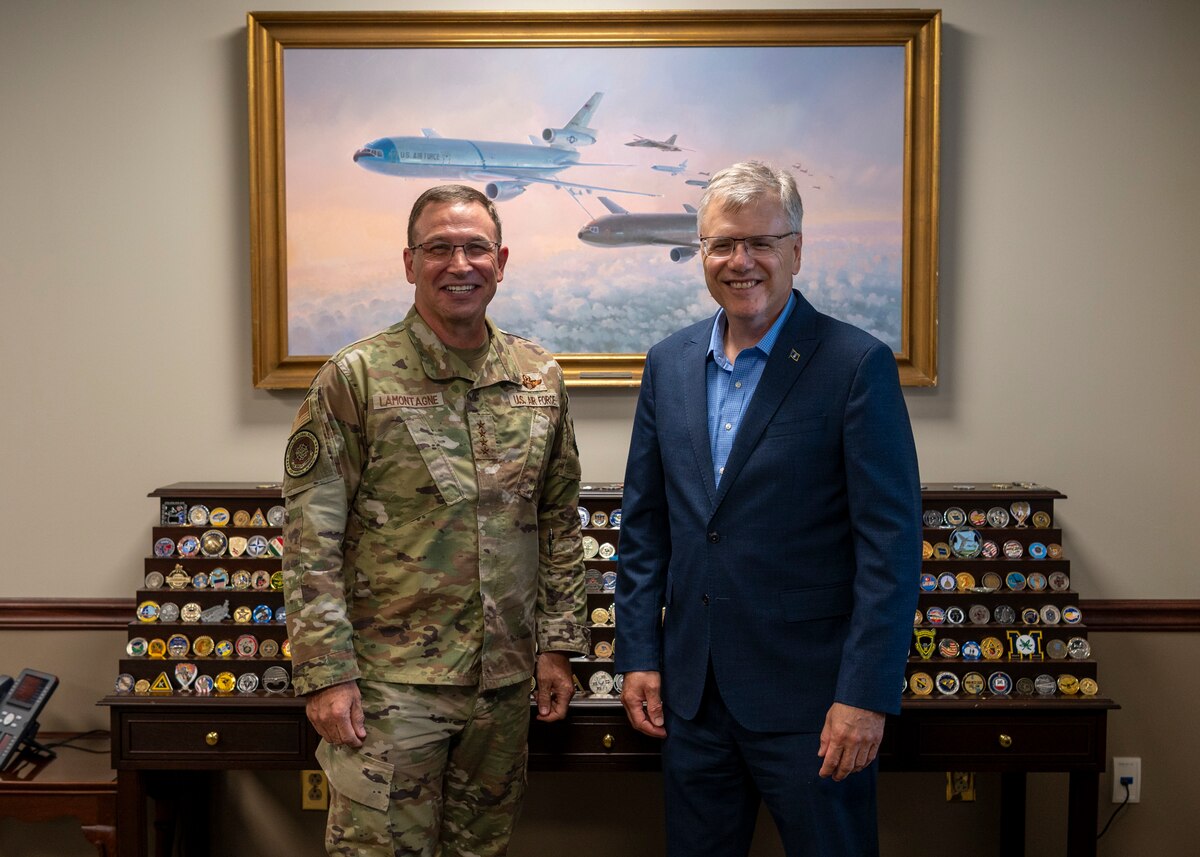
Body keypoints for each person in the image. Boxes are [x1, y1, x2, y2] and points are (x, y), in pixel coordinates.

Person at [615, 161, 921, 857]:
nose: (739, 260)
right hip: (691, 701)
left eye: (760, 242)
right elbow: (645, 526)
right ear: (702, 252)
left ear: (796, 250)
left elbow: (890, 546)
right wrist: (638, 653)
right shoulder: (668, 362)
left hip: (815, 705)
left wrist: (866, 695)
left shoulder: (853, 364)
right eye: (722, 244)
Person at [281, 184, 588, 857]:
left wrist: (557, 644)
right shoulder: (355, 378)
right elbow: (311, 542)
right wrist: (327, 672)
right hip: (390, 690)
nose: (460, 263)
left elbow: (560, 518)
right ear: (409, 261)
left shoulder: (540, 380)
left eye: (475, 247)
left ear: (501, 261)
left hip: (502, 686)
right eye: (439, 248)